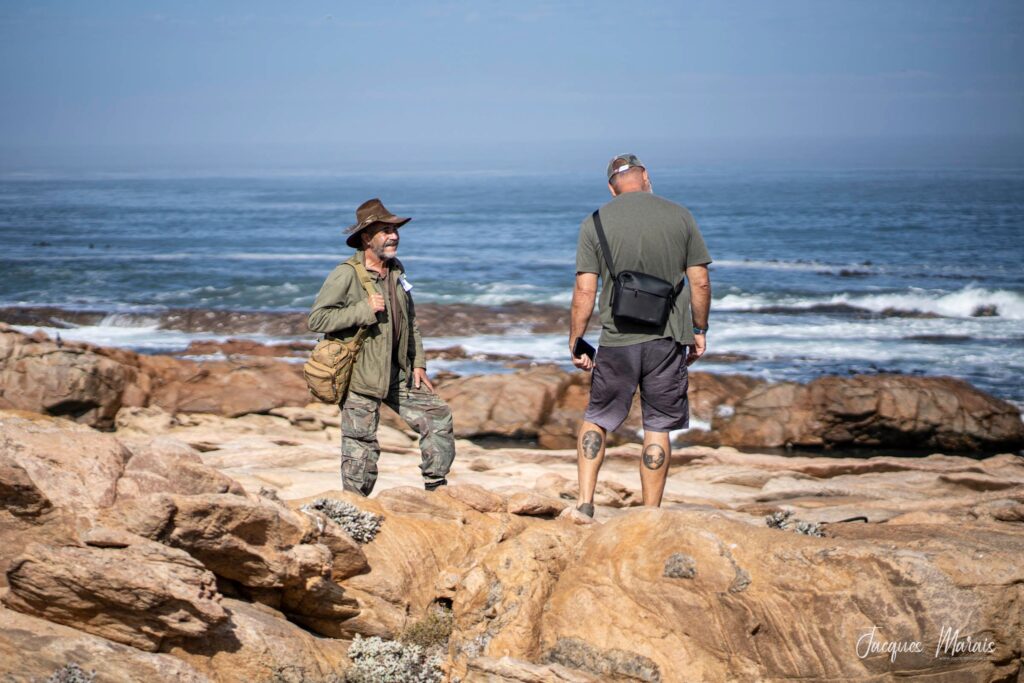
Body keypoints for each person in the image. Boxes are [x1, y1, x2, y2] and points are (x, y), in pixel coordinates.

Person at [569, 154, 712, 516]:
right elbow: (700, 280)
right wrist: (699, 328)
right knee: (658, 425)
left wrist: (576, 339)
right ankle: (650, 514)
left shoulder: (595, 222)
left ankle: (585, 502)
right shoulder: (680, 215)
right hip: (666, 340)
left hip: (617, 339)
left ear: (611, 188)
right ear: (646, 176)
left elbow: (585, 290)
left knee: (598, 417)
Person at [309, 198, 455, 496]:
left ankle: (436, 488)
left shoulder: (396, 270)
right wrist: (363, 309)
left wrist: (419, 362)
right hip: (359, 375)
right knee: (360, 444)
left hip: (396, 370)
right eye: (386, 230)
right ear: (367, 237)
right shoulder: (346, 274)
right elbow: (318, 318)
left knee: (437, 415)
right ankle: (355, 507)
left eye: (395, 230)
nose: (394, 236)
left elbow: (409, 319)